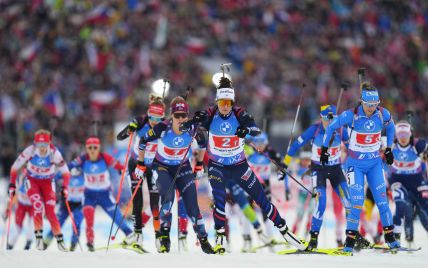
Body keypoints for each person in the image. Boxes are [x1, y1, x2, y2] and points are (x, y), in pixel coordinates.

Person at [180, 76, 306, 253]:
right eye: (222, 102)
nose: (225, 106)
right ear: (217, 101)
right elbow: (185, 128)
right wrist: (194, 121)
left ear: (232, 102)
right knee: (219, 200)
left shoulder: (240, 114)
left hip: (239, 166)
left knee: (262, 199)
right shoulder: (210, 114)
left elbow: (256, 130)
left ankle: (285, 232)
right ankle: (221, 238)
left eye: (228, 102)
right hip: (217, 167)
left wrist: (246, 130)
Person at [321, 82, 400, 252]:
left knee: (382, 202)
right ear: (362, 102)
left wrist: (389, 149)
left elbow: (392, 126)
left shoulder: (382, 114)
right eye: (369, 105)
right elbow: (332, 127)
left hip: (374, 165)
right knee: (356, 202)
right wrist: (325, 149)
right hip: (355, 165)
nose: (372, 108)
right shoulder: (351, 115)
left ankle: (391, 239)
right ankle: (349, 243)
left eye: (375, 104)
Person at [135, 96, 215, 254]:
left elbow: (203, 143)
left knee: (192, 206)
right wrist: (140, 163)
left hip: (183, 167)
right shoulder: (163, 127)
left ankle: (204, 241)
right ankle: (165, 238)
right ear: (171, 115)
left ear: (188, 115)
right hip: (162, 168)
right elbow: (143, 141)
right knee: (168, 200)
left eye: (183, 115)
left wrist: (199, 164)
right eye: (177, 115)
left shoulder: (193, 129)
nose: (180, 119)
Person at [282, 104, 351, 250]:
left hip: (336, 170)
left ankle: (351, 238)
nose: (330, 122)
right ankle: (313, 239)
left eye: (332, 119)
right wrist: (285, 164)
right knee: (321, 203)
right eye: (326, 119)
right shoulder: (315, 129)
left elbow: (351, 148)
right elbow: (295, 145)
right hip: (318, 170)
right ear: (321, 118)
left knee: (348, 203)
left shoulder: (340, 129)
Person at [9, 129, 70, 251]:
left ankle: (60, 241)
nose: (42, 148)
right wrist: (12, 185)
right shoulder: (30, 150)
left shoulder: (54, 153)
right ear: (35, 144)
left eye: (45, 145)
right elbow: (15, 167)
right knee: (37, 205)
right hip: (32, 182)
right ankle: (38, 241)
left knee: (50, 212)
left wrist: (65, 187)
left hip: (48, 183)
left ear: (49, 144)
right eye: (39, 145)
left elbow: (66, 172)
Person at [118, 94, 165, 251]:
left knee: (155, 201)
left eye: (159, 119)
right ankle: (137, 234)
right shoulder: (141, 121)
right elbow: (120, 137)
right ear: (148, 113)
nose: (154, 122)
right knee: (137, 199)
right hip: (136, 164)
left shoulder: (164, 126)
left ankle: (158, 236)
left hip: (154, 166)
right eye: (152, 117)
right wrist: (130, 128)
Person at [69, 136, 132, 251]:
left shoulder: (104, 157)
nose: (92, 150)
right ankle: (90, 243)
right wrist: (61, 174)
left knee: (117, 217)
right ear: (87, 149)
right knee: (89, 219)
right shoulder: (83, 159)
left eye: (95, 147)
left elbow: (118, 166)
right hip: (89, 195)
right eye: (90, 147)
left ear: (99, 148)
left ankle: (131, 235)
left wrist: (123, 169)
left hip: (105, 195)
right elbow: (68, 167)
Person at [389, 121, 428, 247]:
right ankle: (395, 239)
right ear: (396, 135)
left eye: (405, 135)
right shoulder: (390, 145)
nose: (403, 138)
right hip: (398, 180)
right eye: (400, 135)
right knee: (401, 206)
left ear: (410, 134)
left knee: (425, 207)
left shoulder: (418, 145)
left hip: (417, 180)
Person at [46, 168, 85, 251]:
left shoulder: (84, 174)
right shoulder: (66, 173)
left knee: (76, 224)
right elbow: (53, 178)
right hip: (66, 203)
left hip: (79, 204)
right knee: (58, 223)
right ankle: (45, 243)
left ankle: (73, 246)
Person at [6, 170, 34, 250]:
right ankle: (10, 244)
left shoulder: (35, 179)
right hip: (21, 205)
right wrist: (8, 209)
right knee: (18, 225)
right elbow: (13, 195)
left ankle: (28, 242)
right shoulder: (19, 180)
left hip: (32, 205)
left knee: (32, 223)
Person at [289, 151, 314, 238]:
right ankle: (294, 233)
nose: (306, 162)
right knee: (300, 214)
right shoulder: (299, 168)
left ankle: (308, 234)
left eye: (308, 160)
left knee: (311, 214)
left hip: (312, 195)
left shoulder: (313, 169)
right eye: (304, 160)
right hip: (302, 195)